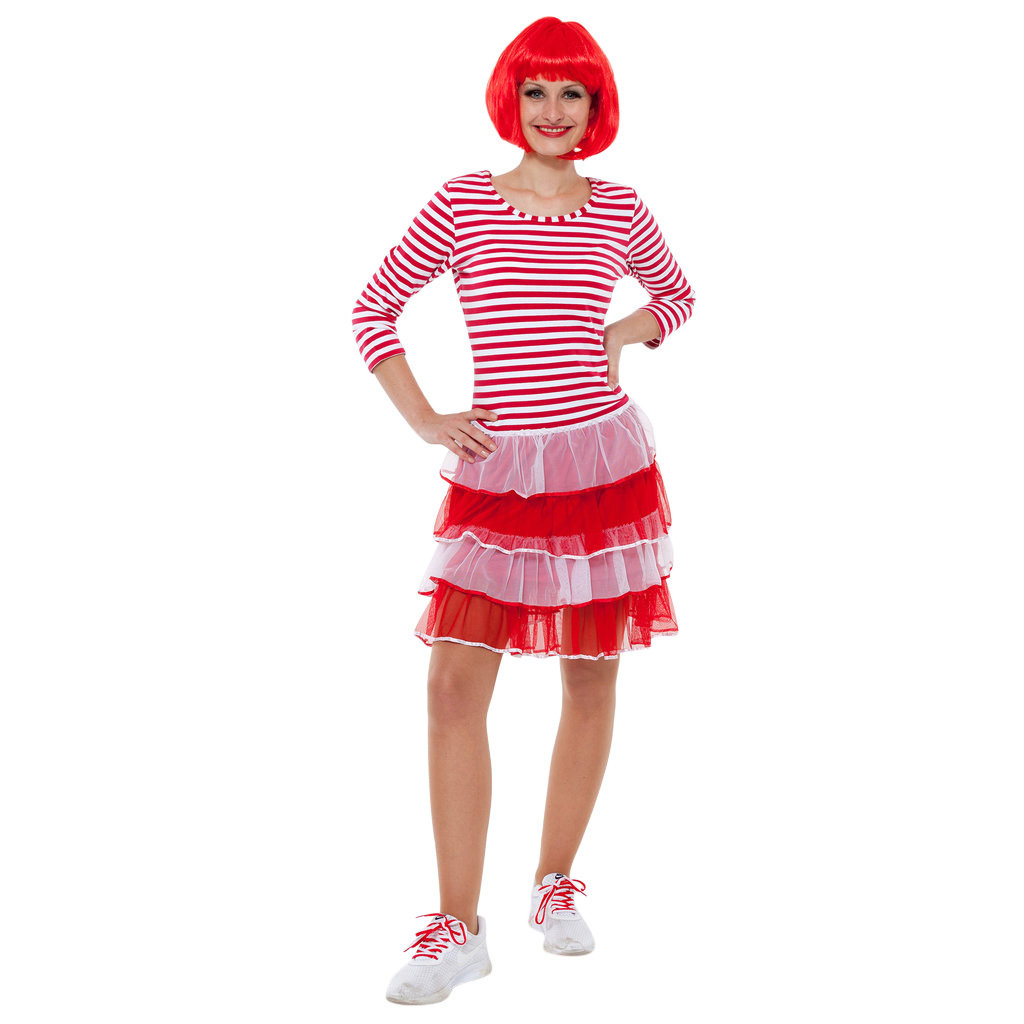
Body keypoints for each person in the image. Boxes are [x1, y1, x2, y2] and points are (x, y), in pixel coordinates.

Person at [351, 16, 695, 1005]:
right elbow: (373, 308)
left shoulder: (619, 206)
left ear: (595, 107)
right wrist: (426, 418)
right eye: (536, 90)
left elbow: (677, 294)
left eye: (571, 93)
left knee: (589, 677)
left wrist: (624, 332)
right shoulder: (463, 202)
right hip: (499, 473)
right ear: (513, 99)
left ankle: (555, 881)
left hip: (599, 466)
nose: (552, 110)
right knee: (454, 688)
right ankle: (458, 926)